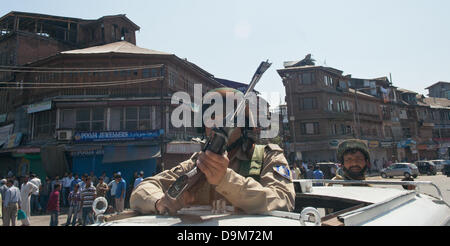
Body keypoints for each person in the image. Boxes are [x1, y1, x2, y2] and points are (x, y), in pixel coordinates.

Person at [130, 87, 295, 215]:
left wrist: (225, 180)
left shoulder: (267, 156)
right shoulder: (197, 163)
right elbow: (143, 189)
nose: (217, 126)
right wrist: (159, 202)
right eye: (211, 118)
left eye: (227, 119)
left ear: (245, 127)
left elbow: (283, 200)